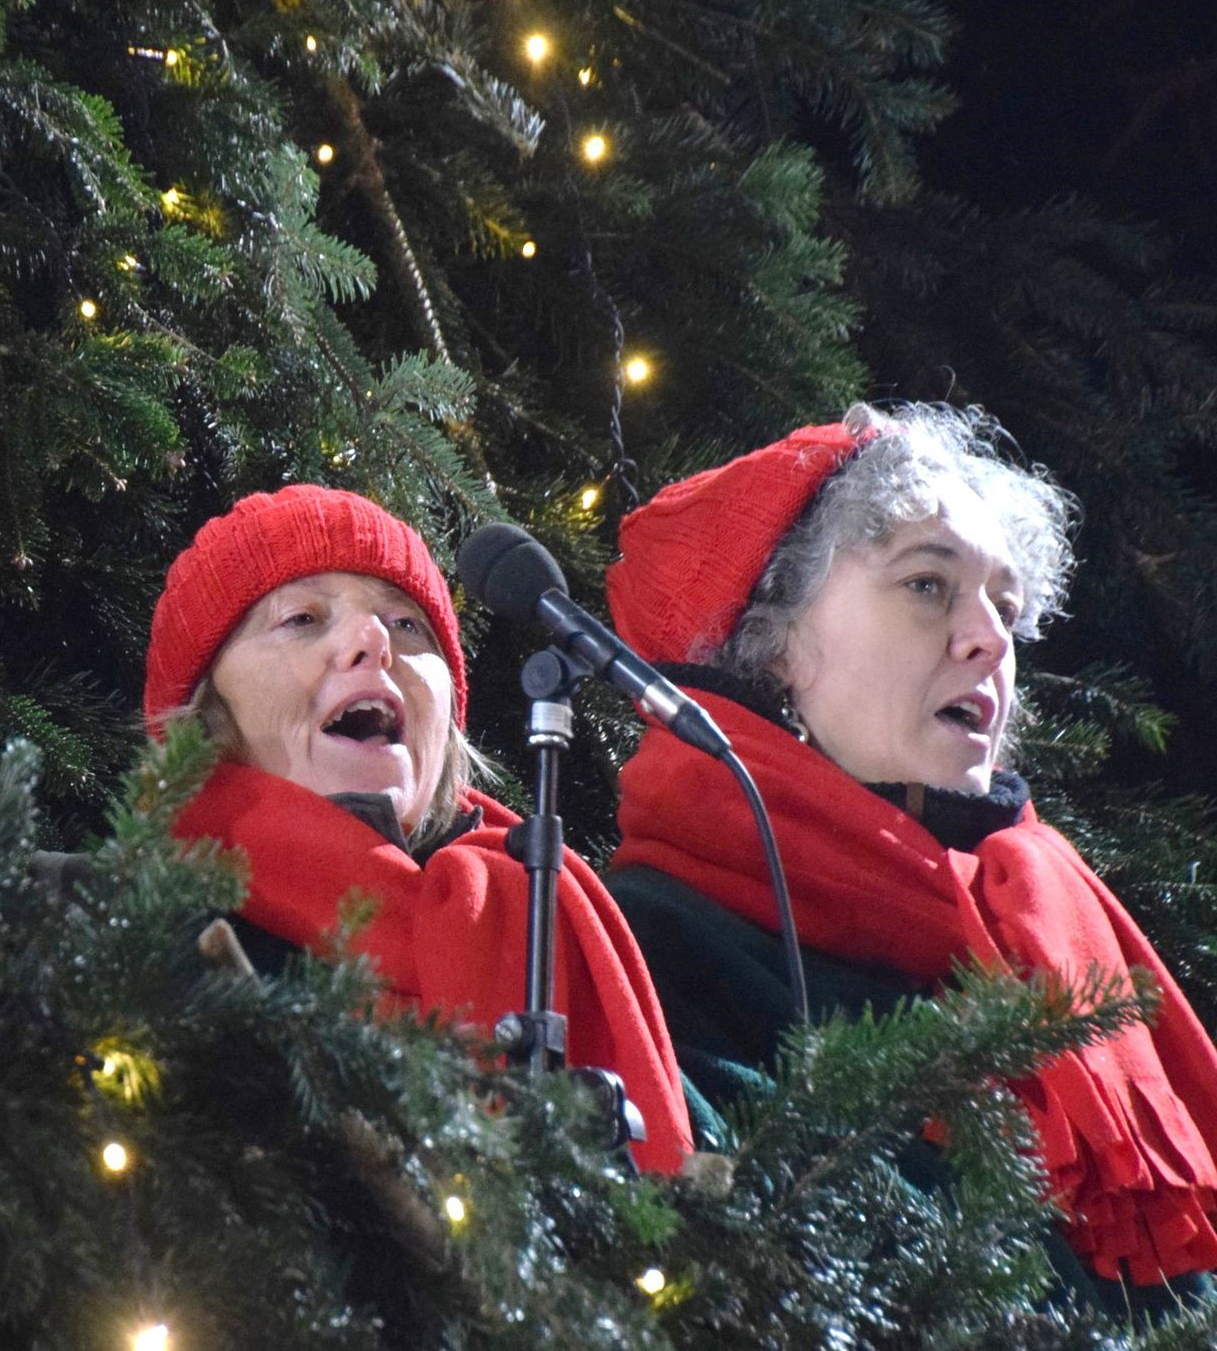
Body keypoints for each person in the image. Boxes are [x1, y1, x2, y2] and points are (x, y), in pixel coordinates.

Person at [603, 401, 1217, 1309]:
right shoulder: (649, 946)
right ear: (770, 641)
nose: (990, 639)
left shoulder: (1042, 942)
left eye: (1005, 607)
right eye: (928, 584)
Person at [143, 484, 693, 1173]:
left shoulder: (550, 924)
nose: (374, 641)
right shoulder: (119, 940)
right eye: (303, 618)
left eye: (409, 626)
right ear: (202, 714)